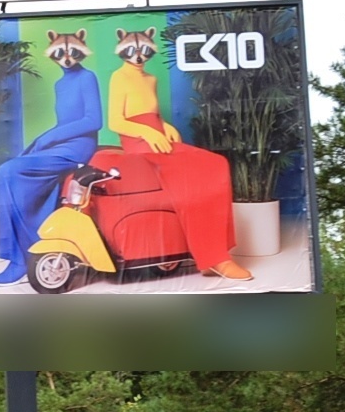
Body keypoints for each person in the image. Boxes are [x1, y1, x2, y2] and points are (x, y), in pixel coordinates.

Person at [101, 28, 249, 280]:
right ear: (120, 47)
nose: (138, 56)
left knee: (216, 164)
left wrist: (165, 127)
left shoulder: (151, 79)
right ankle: (216, 258)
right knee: (205, 170)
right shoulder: (118, 77)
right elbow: (116, 122)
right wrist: (147, 133)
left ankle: (212, 255)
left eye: (143, 50)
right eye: (131, 50)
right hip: (141, 144)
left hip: (159, 139)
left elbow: (151, 113)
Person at [0, 30, 101, 285]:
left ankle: (22, 258)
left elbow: (93, 121)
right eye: (60, 53)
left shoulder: (87, 77)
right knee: (13, 167)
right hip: (61, 144)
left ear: (82, 49)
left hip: (77, 148)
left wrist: (49, 138)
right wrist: (42, 141)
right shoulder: (60, 84)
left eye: (73, 52)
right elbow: (66, 121)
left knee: (9, 170)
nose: (66, 58)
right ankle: (23, 251)